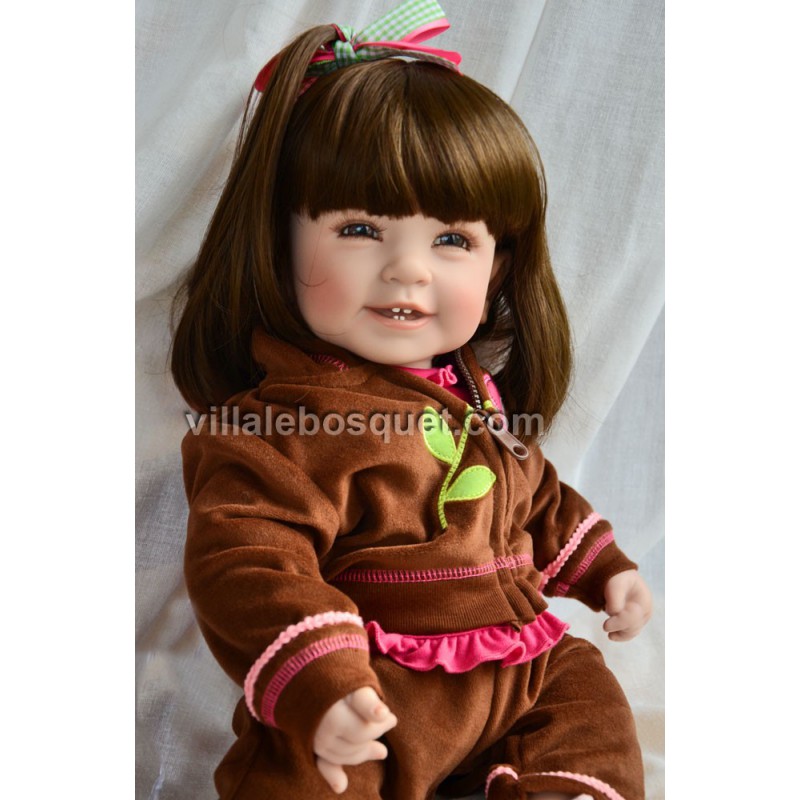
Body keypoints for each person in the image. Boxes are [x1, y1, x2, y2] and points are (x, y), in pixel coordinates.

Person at [171, 2, 652, 798]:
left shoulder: (475, 394)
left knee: (588, 703)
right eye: (361, 230)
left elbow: (531, 494)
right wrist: (322, 681)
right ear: (281, 242)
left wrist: (603, 568)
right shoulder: (275, 427)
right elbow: (249, 560)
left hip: (520, 662)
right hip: (379, 677)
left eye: (452, 240)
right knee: (318, 769)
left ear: (499, 268)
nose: (408, 270)